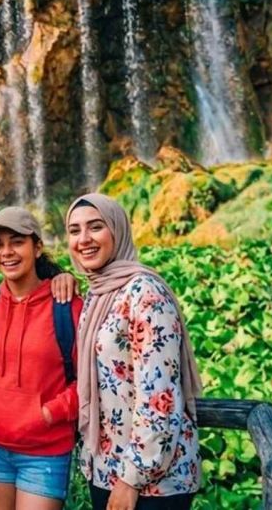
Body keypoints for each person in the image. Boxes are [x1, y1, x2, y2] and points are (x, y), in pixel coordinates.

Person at [65, 194, 202, 510]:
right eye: (74, 230)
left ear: (118, 229)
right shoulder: (99, 292)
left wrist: (132, 479)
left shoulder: (145, 293)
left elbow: (159, 397)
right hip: (107, 468)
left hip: (153, 483)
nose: (83, 239)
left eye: (95, 227)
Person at [0, 207, 83, 510]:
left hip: (44, 451)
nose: (6, 252)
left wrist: (49, 413)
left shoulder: (67, 307)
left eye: (17, 242)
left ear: (37, 247)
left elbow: (90, 380)